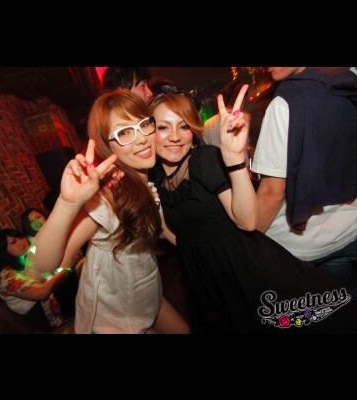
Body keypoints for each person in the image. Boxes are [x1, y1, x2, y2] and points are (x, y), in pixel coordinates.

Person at [148, 84, 357, 334]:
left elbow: (247, 222)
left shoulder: (204, 159)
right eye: (163, 127)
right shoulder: (158, 178)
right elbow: (182, 239)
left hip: (250, 275)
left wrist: (234, 159)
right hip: (212, 283)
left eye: (184, 126)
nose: (175, 136)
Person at [26, 89, 189, 334]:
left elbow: (163, 231)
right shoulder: (110, 195)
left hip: (146, 291)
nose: (141, 139)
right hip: (115, 313)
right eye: (124, 132)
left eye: (144, 125)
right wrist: (67, 204)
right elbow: (37, 268)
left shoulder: (146, 183)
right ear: (107, 145)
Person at [251, 67, 357, 297]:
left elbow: (271, 193)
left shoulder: (285, 104)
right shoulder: (348, 79)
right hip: (350, 227)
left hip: (307, 244)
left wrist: (247, 246)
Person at [0, 229, 79, 332]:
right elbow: (41, 293)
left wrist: (69, 263)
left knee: (72, 277)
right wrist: (67, 268)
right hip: (42, 317)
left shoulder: (25, 260)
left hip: (52, 304)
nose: (22, 242)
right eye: (13, 242)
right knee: (69, 279)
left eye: (21, 237)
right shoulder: (5, 278)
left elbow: (48, 277)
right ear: (2, 252)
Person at [21, 207, 85, 273]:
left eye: (37, 217)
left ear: (43, 216)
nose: (36, 222)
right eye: (31, 221)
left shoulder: (56, 227)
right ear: (28, 226)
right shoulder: (34, 245)